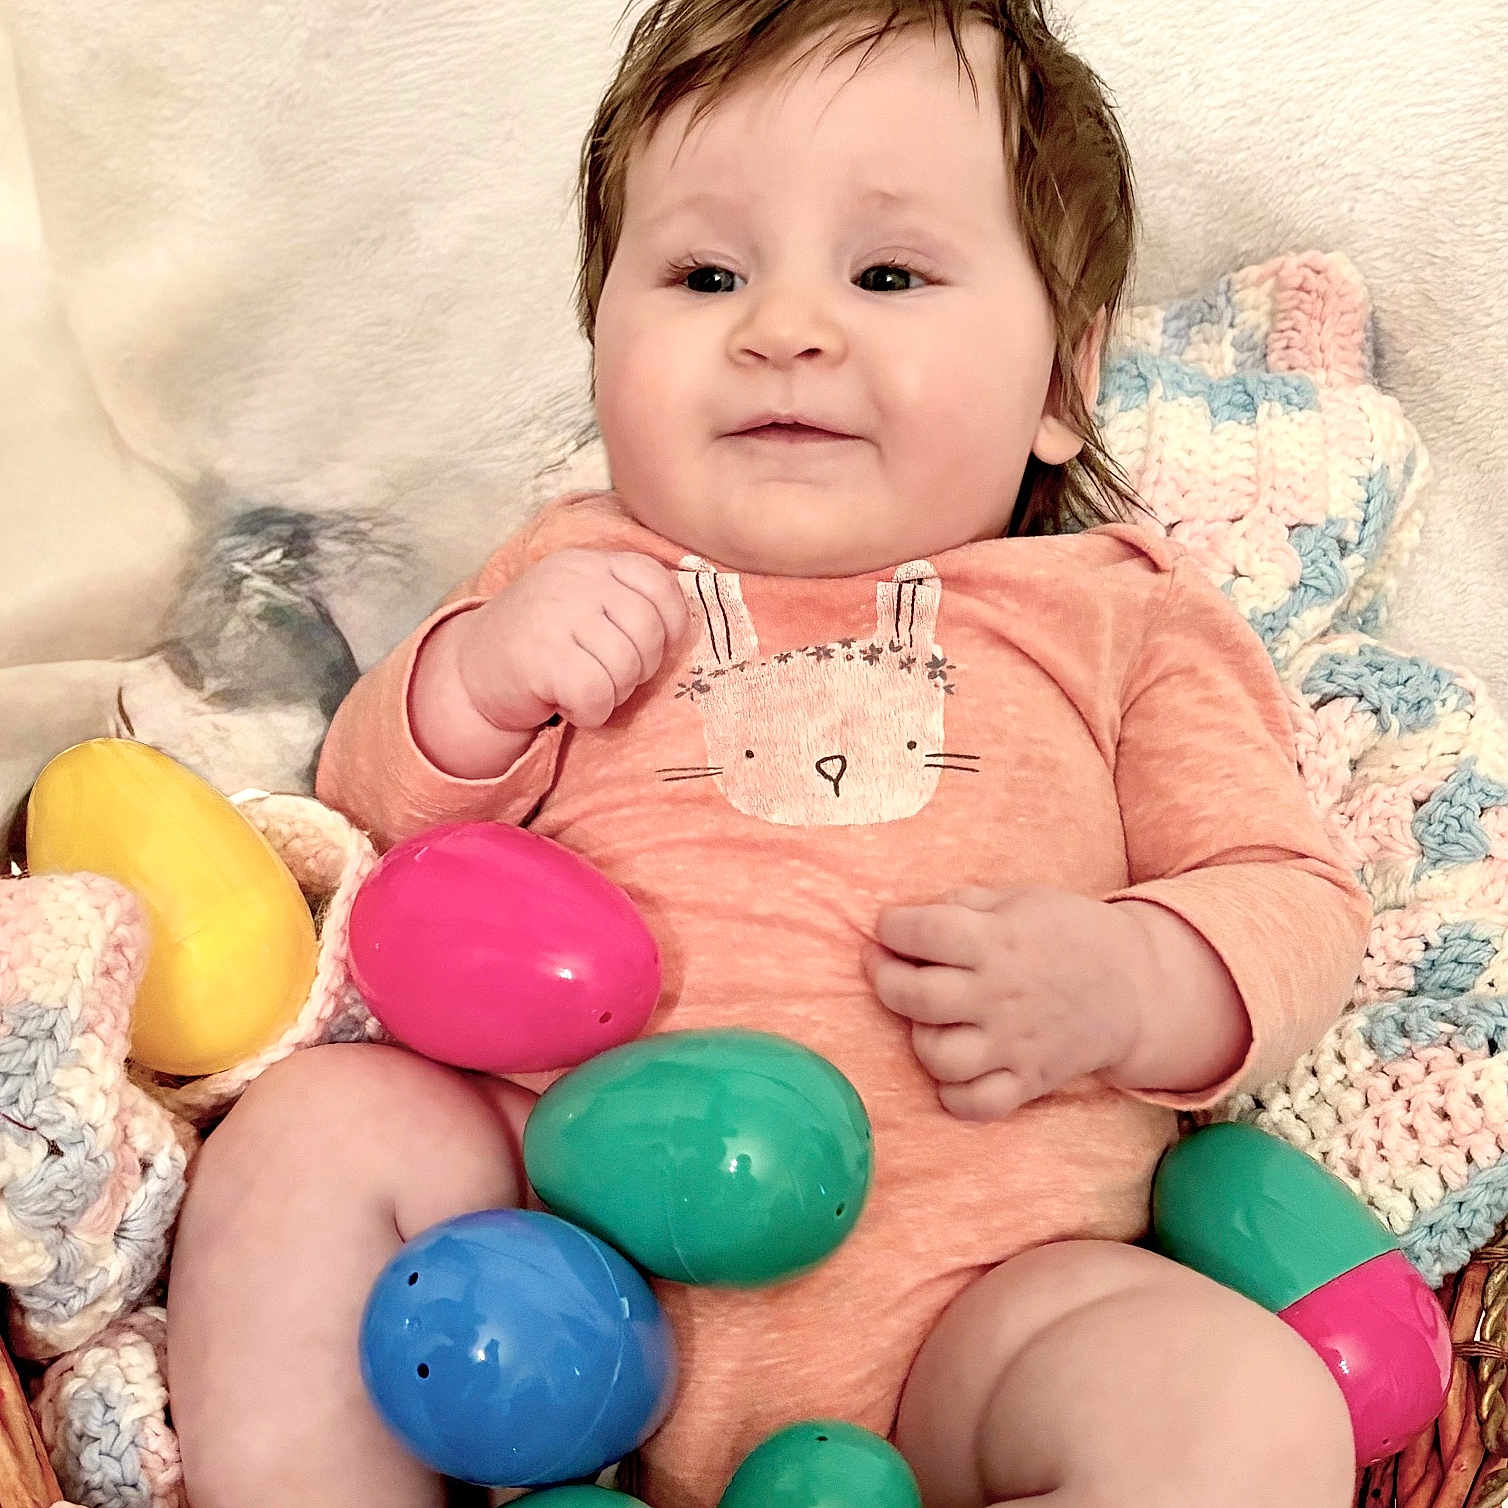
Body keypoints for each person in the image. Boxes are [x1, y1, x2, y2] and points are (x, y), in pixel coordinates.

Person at [165, 2, 1373, 1504]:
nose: (784, 327)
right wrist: (475, 678)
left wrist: (1134, 981)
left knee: (1243, 1413)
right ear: (603, 334)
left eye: (886, 273)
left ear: (1063, 382)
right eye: (703, 273)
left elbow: (1293, 895)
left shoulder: (1119, 615)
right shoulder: (572, 571)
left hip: (983, 1324)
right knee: (318, 1134)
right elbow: (363, 837)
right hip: (546, 1272)